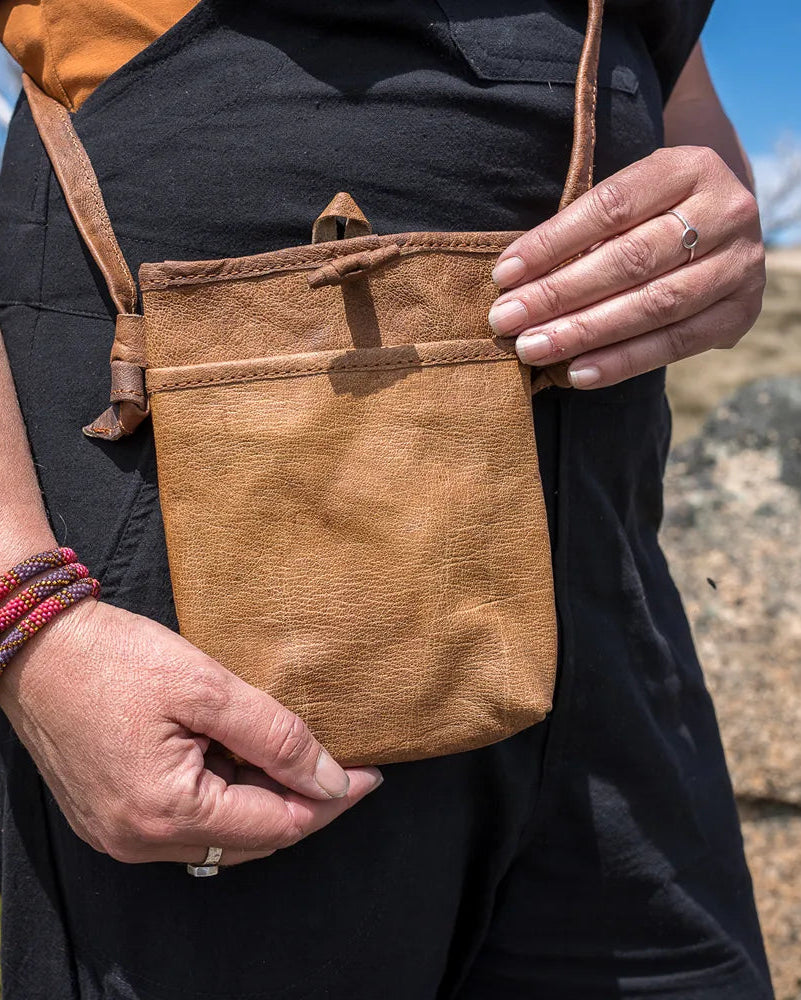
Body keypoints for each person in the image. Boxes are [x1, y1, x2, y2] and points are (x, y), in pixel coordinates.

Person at [0, 1, 773, 998]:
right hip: (206, 529)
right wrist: (23, 613)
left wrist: (721, 224)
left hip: (607, 583)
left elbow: (678, 87)